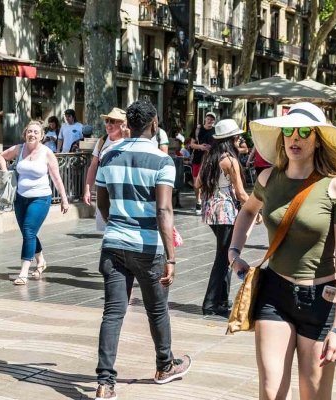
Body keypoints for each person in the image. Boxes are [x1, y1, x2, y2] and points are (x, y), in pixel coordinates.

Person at [228, 102, 336, 399]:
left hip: (320, 300)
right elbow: (248, 211)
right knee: (271, 392)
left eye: (303, 131)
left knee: (313, 394)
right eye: (288, 130)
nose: (294, 137)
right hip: (274, 292)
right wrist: (233, 252)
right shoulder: (268, 178)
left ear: (318, 138)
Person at [93, 100, 191, 400]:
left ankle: (105, 383)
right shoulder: (163, 161)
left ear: (128, 124)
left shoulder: (109, 155)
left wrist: (117, 225)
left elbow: (102, 201)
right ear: (154, 123)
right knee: (157, 309)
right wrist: (171, 256)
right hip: (147, 248)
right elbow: (164, 210)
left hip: (113, 244)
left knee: (113, 313)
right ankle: (164, 366)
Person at [0, 121, 70, 285]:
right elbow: (1, 156)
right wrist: (4, 172)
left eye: (36, 132)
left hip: (41, 198)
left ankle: (24, 272)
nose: (32, 134)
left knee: (29, 230)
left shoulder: (47, 153)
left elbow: (56, 177)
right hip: (20, 198)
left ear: (42, 136)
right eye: (30, 131)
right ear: (25, 133)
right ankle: (41, 261)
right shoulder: (19, 148)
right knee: (27, 233)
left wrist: (64, 199)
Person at [195, 119, 250, 316]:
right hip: (226, 211)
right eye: (237, 137)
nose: (239, 140)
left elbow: (198, 183)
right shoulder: (231, 160)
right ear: (231, 139)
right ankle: (211, 303)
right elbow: (242, 193)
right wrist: (255, 211)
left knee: (225, 255)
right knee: (223, 258)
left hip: (211, 210)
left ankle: (221, 300)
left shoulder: (210, 156)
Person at [83, 107, 128, 232]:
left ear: (123, 124)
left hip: (122, 192)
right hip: (103, 190)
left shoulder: (128, 141)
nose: (108, 124)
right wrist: (87, 189)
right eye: (107, 121)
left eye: (112, 121)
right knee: (106, 227)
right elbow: (93, 166)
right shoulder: (102, 141)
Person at [191, 112, 217, 215]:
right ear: (205, 119)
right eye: (208, 118)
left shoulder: (215, 131)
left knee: (209, 181)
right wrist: (201, 147)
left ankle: (207, 202)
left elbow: (218, 145)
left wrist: (211, 148)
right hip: (197, 159)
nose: (210, 120)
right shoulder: (198, 129)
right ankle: (198, 201)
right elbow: (192, 144)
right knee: (196, 182)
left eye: (212, 119)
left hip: (210, 159)